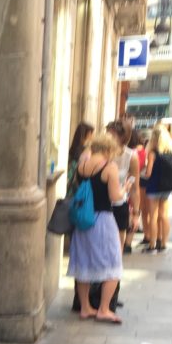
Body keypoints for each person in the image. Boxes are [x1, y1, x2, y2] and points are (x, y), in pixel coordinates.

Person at [67, 130, 123, 323]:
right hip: (103, 221)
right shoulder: (109, 167)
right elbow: (115, 197)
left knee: (83, 262)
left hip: (83, 220)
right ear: (108, 149)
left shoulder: (82, 165)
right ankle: (104, 309)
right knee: (113, 264)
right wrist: (125, 189)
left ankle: (85, 307)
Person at [66, 122, 95, 313]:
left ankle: (80, 300)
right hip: (84, 201)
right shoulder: (85, 153)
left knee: (78, 252)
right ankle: (83, 302)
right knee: (85, 257)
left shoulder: (73, 149)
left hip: (74, 197)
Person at [144, 123, 172, 253]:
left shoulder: (153, 153)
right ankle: (164, 243)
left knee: (153, 216)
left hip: (154, 187)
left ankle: (152, 244)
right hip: (166, 187)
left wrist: (144, 173)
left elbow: (148, 173)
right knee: (164, 215)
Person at [106, 119, 140, 256]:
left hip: (119, 205)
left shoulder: (131, 157)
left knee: (117, 251)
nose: (107, 137)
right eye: (107, 133)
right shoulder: (101, 153)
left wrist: (136, 214)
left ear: (122, 137)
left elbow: (134, 187)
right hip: (99, 205)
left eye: (111, 134)